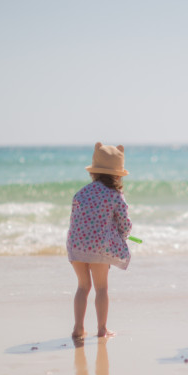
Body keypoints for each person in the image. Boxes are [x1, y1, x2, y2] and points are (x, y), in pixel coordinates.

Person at [67, 143, 132, 339]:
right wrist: (121, 237)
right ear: (118, 175)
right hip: (99, 247)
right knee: (101, 288)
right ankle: (102, 329)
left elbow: (74, 220)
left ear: (93, 172)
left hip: (76, 244)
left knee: (82, 286)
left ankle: (78, 328)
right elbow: (125, 223)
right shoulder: (115, 195)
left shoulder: (81, 193)